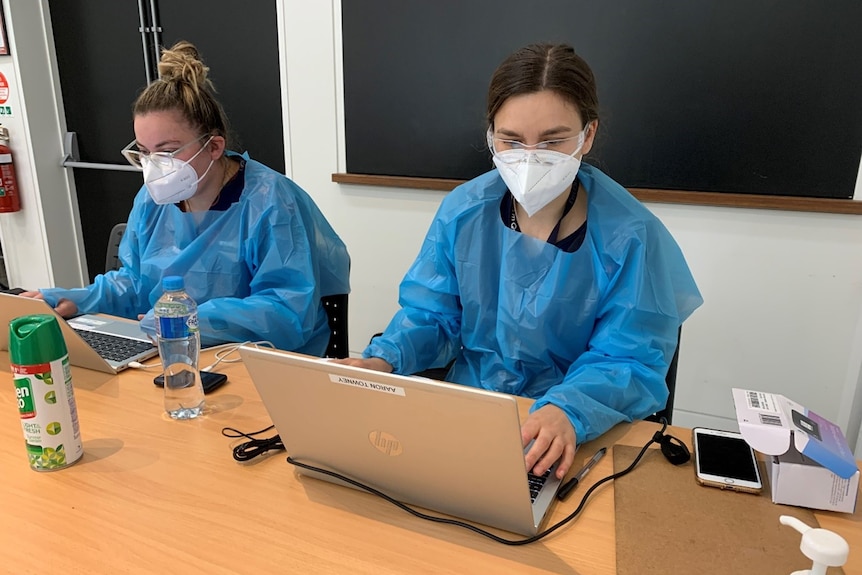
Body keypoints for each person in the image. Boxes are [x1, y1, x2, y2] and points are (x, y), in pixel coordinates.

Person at [337, 43, 702, 479]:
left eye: (552, 140)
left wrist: (567, 410)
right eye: (511, 140)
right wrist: (383, 360)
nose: (529, 159)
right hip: (469, 414)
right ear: (491, 135)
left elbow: (628, 361)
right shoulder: (464, 211)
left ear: (588, 135)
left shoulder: (631, 238)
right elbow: (432, 315)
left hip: (572, 432)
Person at [23, 41, 350, 356]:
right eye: (144, 153)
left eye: (166, 152)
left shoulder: (270, 202)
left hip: (259, 362)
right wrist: (79, 299)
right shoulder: (153, 202)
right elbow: (135, 283)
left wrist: (192, 320)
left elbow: (286, 309)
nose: (154, 167)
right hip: (172, 351)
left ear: (214, 147)